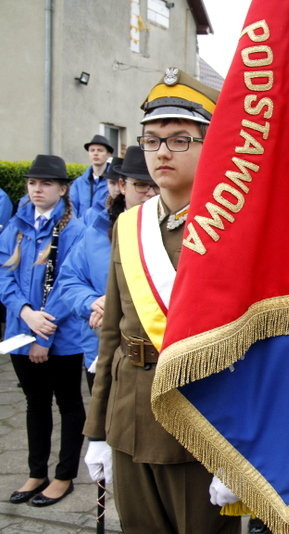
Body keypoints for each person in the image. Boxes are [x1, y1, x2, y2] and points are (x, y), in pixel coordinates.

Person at [82, 68, 239, 534]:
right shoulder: (129, 227)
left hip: (202, 427)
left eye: (179, 139)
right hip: (129, 419)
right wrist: (97, 432)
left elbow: (261, 350)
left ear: (211, 144)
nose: (162, 152)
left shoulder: (235, 230)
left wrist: (241, 452)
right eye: (151, 140)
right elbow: (111, 338)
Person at [0, 154, 86, 507]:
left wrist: (44, 335)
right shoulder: (17, 225)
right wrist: (24, 312)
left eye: (46, 183)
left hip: (61, 339)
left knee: (68, 404)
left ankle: (64, 476)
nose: (37, 189)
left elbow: (70, 285)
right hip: (21, 333)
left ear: (63, 189)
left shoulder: (74, 229)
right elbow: (4, 274)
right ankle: (37, 472)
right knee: (35, 404)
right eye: (33, 183)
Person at [55, 147, 158, 391]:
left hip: (156, 353)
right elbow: (68, 280)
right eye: (141, 185)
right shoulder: (95, 232)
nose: (150, 194)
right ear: (122, 185)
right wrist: (93, 302)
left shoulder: (175, 231)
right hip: (102, 350)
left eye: (156, 186)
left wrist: (114, 302)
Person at [71, 134, 114, 219]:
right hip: (80, 229)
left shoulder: (113, 182)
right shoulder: (79, 183)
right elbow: (71, 207)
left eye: (100, 150)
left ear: (108, 154)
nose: (95, 153)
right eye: (92, 150)